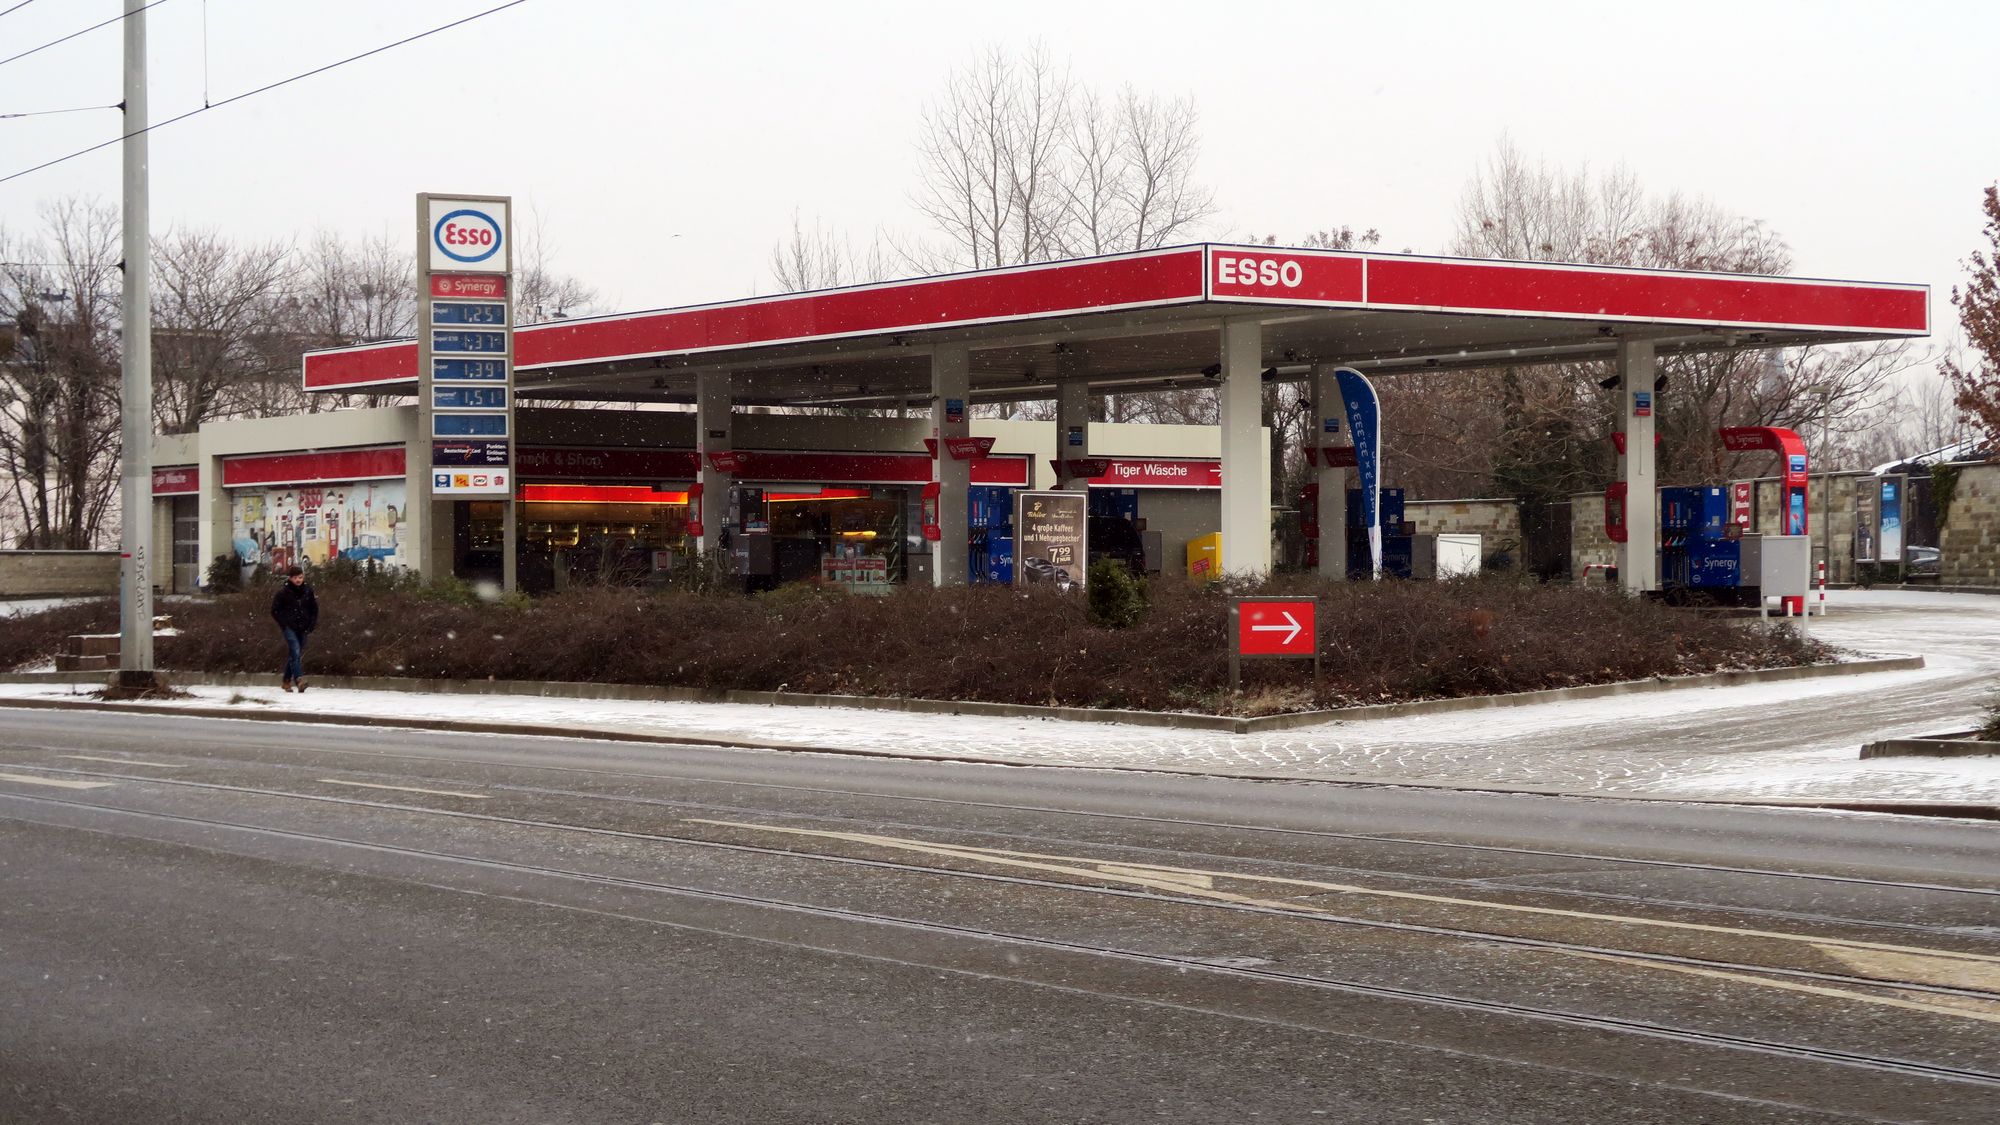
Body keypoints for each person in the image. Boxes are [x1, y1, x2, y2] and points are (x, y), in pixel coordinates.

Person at [271, 565, 319, 692]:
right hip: (289, 627)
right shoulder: (283, 593)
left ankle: (286, 681)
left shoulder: (308, 591)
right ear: (290, 578)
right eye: (295, 578)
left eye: (300, 577)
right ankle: (299, 679)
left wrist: (311, 624)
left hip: (303, 627)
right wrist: (283, 623)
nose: (298, 580)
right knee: (295, 650)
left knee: (294, 654)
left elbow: (314, 609)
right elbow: (275, 610)